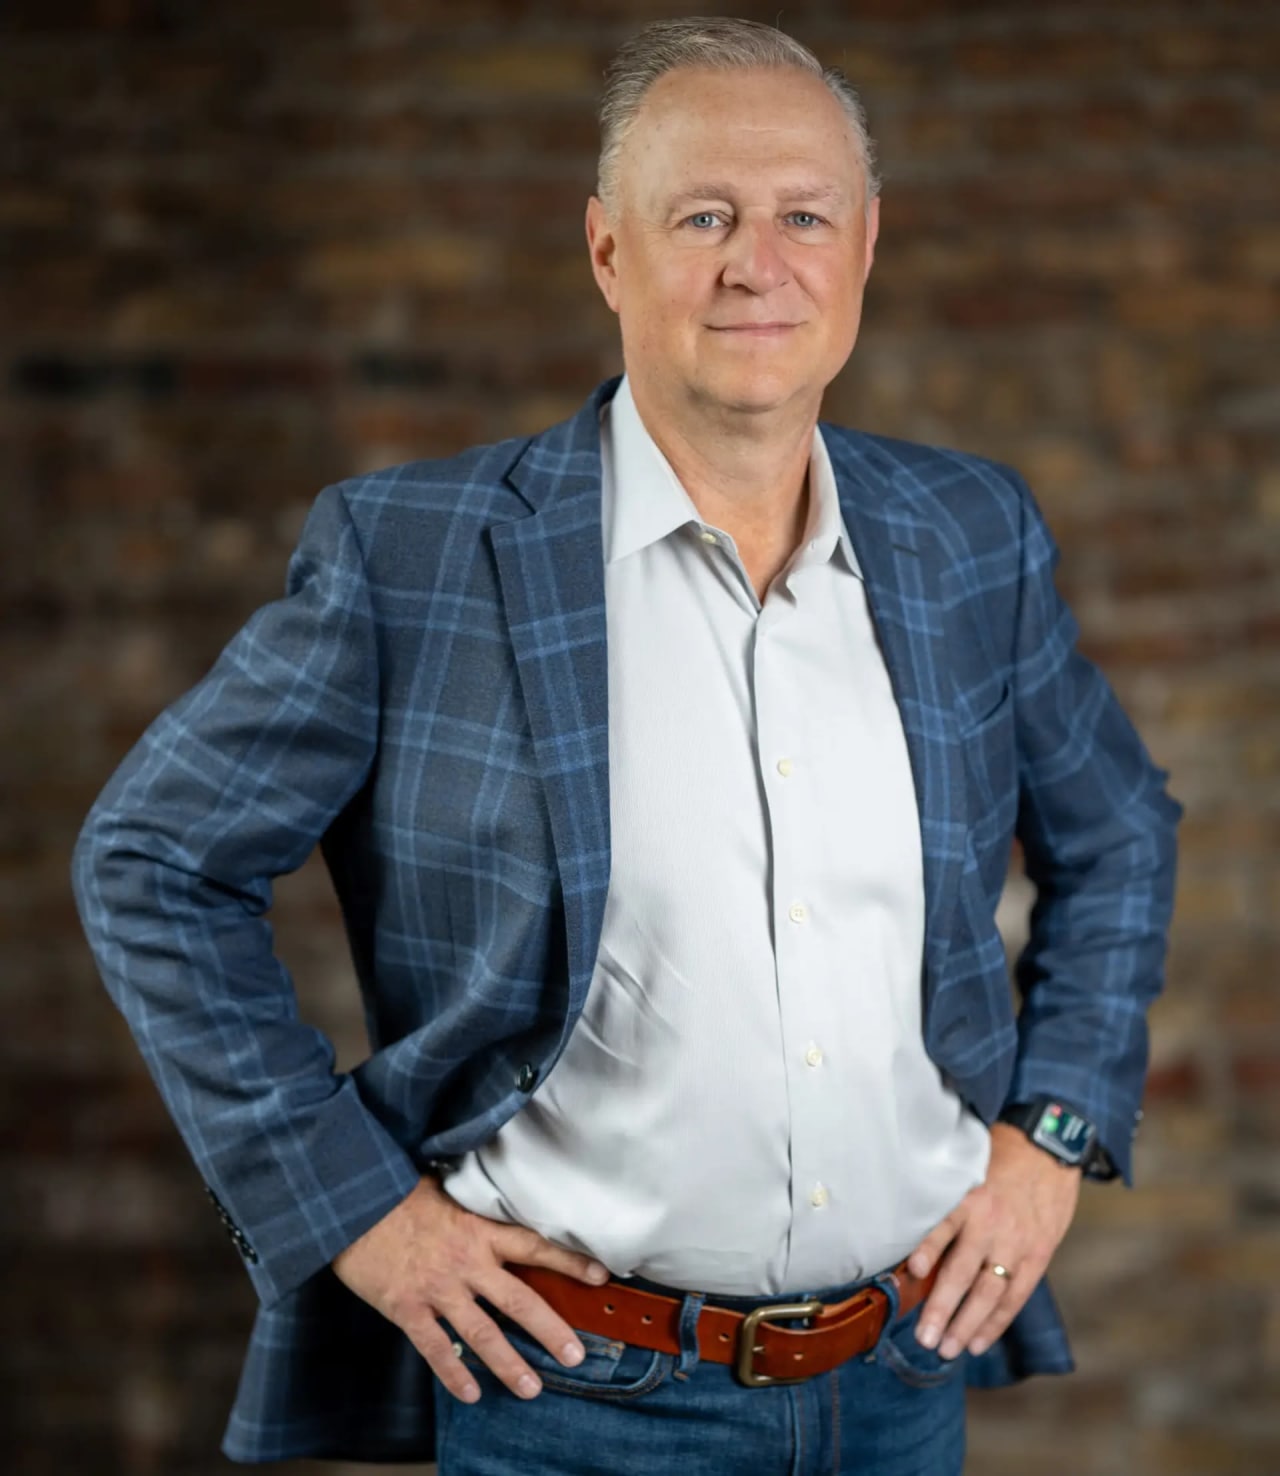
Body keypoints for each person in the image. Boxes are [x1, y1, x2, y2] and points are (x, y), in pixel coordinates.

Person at [72, 16, 1181, 1475]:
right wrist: (352, 1212)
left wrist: (1051, 1138)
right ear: (608, 253)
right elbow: (152, 858)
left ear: (865, 251)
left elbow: (1120, 831)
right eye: (702, 216)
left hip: (903, 1380)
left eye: (803, 216)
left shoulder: (967, 535)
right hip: (573, 1402)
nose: (755, 262)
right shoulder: (414, 558)